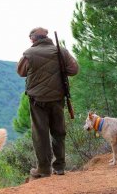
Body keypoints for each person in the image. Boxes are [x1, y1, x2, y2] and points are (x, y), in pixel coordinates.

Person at [17, 27, 79, 178]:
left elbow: (21, 72)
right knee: (59, 132)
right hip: (57, 99)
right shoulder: (60, 51)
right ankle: (59, 167)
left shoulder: (29, 54)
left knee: (41, 134)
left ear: (33, 39)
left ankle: (44, 170)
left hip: (37, 101)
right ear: (46, 37)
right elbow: (74, 70)